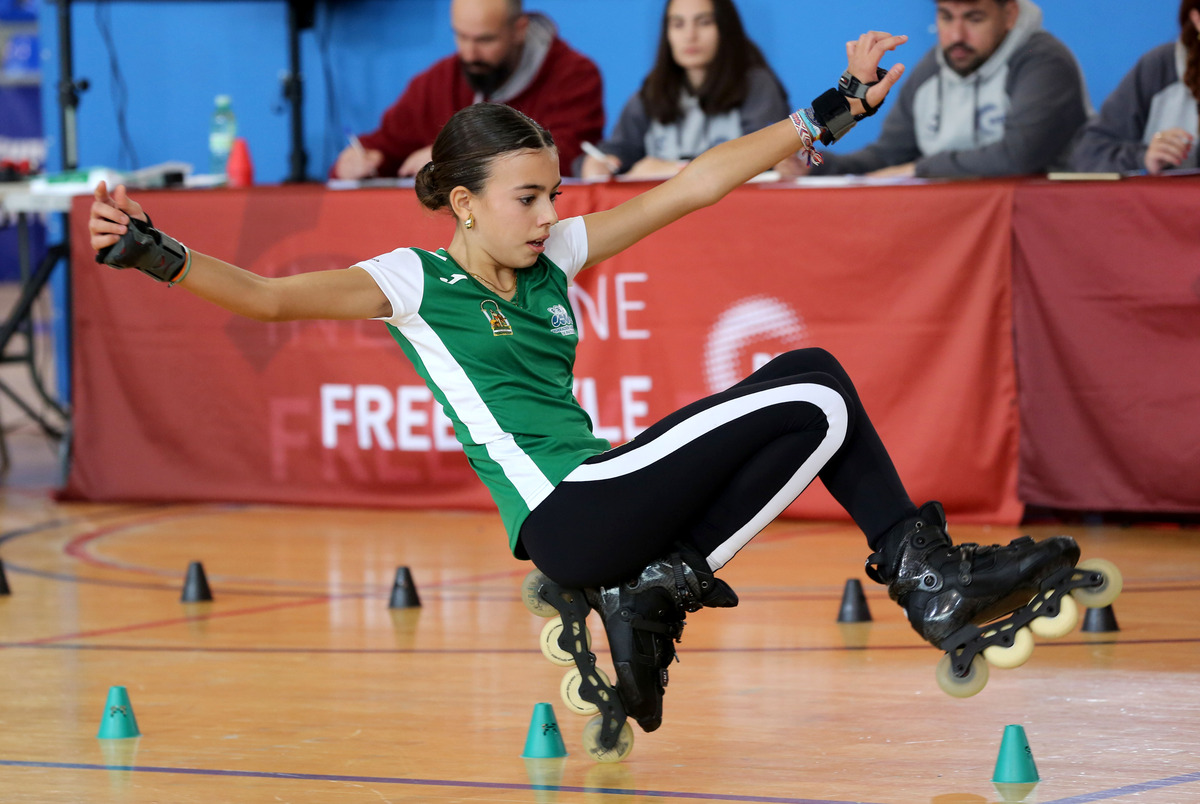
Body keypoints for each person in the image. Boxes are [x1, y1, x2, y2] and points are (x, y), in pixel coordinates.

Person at [90, 30, 1085, 753]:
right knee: (815, 386)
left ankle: (669, 589)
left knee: (809, 424)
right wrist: (154, 251)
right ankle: (924, 582)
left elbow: (693, 185)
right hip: (566, 513)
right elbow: (266, 298)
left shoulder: (554, 253)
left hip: (611, 499)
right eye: (527, 198)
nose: (549, 213)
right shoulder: (412, 281)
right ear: (465, 202)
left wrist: (829, 109)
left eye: (554, 193)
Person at [809, 0, 1088, 178]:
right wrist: (816, 167)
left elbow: (1020, 157)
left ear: (1010, 15)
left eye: (974, 18)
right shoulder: (933, 68)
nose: (957, 36)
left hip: (1045, 230)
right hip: (961, 230)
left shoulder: (1044, 61)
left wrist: (922, 169)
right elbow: (889, 159)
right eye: (945, 17)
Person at [332, 0, 604, 180]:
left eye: (485, 40)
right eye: (460, 36)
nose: (470, 53)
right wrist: (355, 164)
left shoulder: (573, 75)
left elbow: (564, 158)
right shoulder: (438, 81)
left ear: (519, 30)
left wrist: (455, 156)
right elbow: (386, 145)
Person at [577, 0, 790, 180]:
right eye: (678, 24)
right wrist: (597, 164)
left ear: (725, 28)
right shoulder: (652, 92)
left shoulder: (756, 85)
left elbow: (763, 159)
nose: (690, 35)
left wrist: (674, 170)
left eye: (704, 22)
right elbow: (619, 151)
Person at [1069, 2, 1200, 175]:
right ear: (1196, 19)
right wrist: (1143, 157)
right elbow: (1088, 154)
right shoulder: (1160, 68)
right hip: (1170, 201)